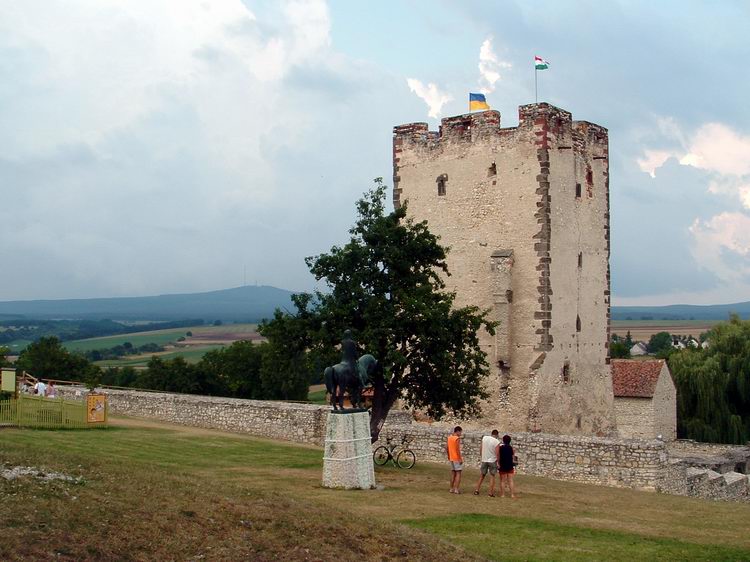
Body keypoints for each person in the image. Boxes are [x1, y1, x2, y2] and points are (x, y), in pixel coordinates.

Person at [474, 429, 501, 497]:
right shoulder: (497, 442)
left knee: (482, 475)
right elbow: (497, 453)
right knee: (492, 476)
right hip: (492, 460)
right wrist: (498, 462)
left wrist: (481, 456)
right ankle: (490, 492)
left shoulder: (485, 438)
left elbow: (481, 448)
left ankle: (477, 490)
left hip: (484, 459)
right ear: (497, 435)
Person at [498, 434, 517, 499]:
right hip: (509, 465)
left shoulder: (501, 448)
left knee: (503, 481)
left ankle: (503, 494)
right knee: (511, 480)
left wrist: (498, 463)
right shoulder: (511, 448)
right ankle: (512, 494)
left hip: (503, 465)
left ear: (503, 441)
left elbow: (499, 456)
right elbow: (513, 457)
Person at [446, 426, 463, 494]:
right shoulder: (457, 438)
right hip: (456, 458)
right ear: (458, 431)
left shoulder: (449, 438)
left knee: (453, 473)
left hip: (451, 458)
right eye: (460, 432)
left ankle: (451, 488)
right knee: (458, 473)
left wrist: (449, 456)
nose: (461, 433)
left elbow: (446, 447)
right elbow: (457, 449)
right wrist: (460, 458)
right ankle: (456, 489)